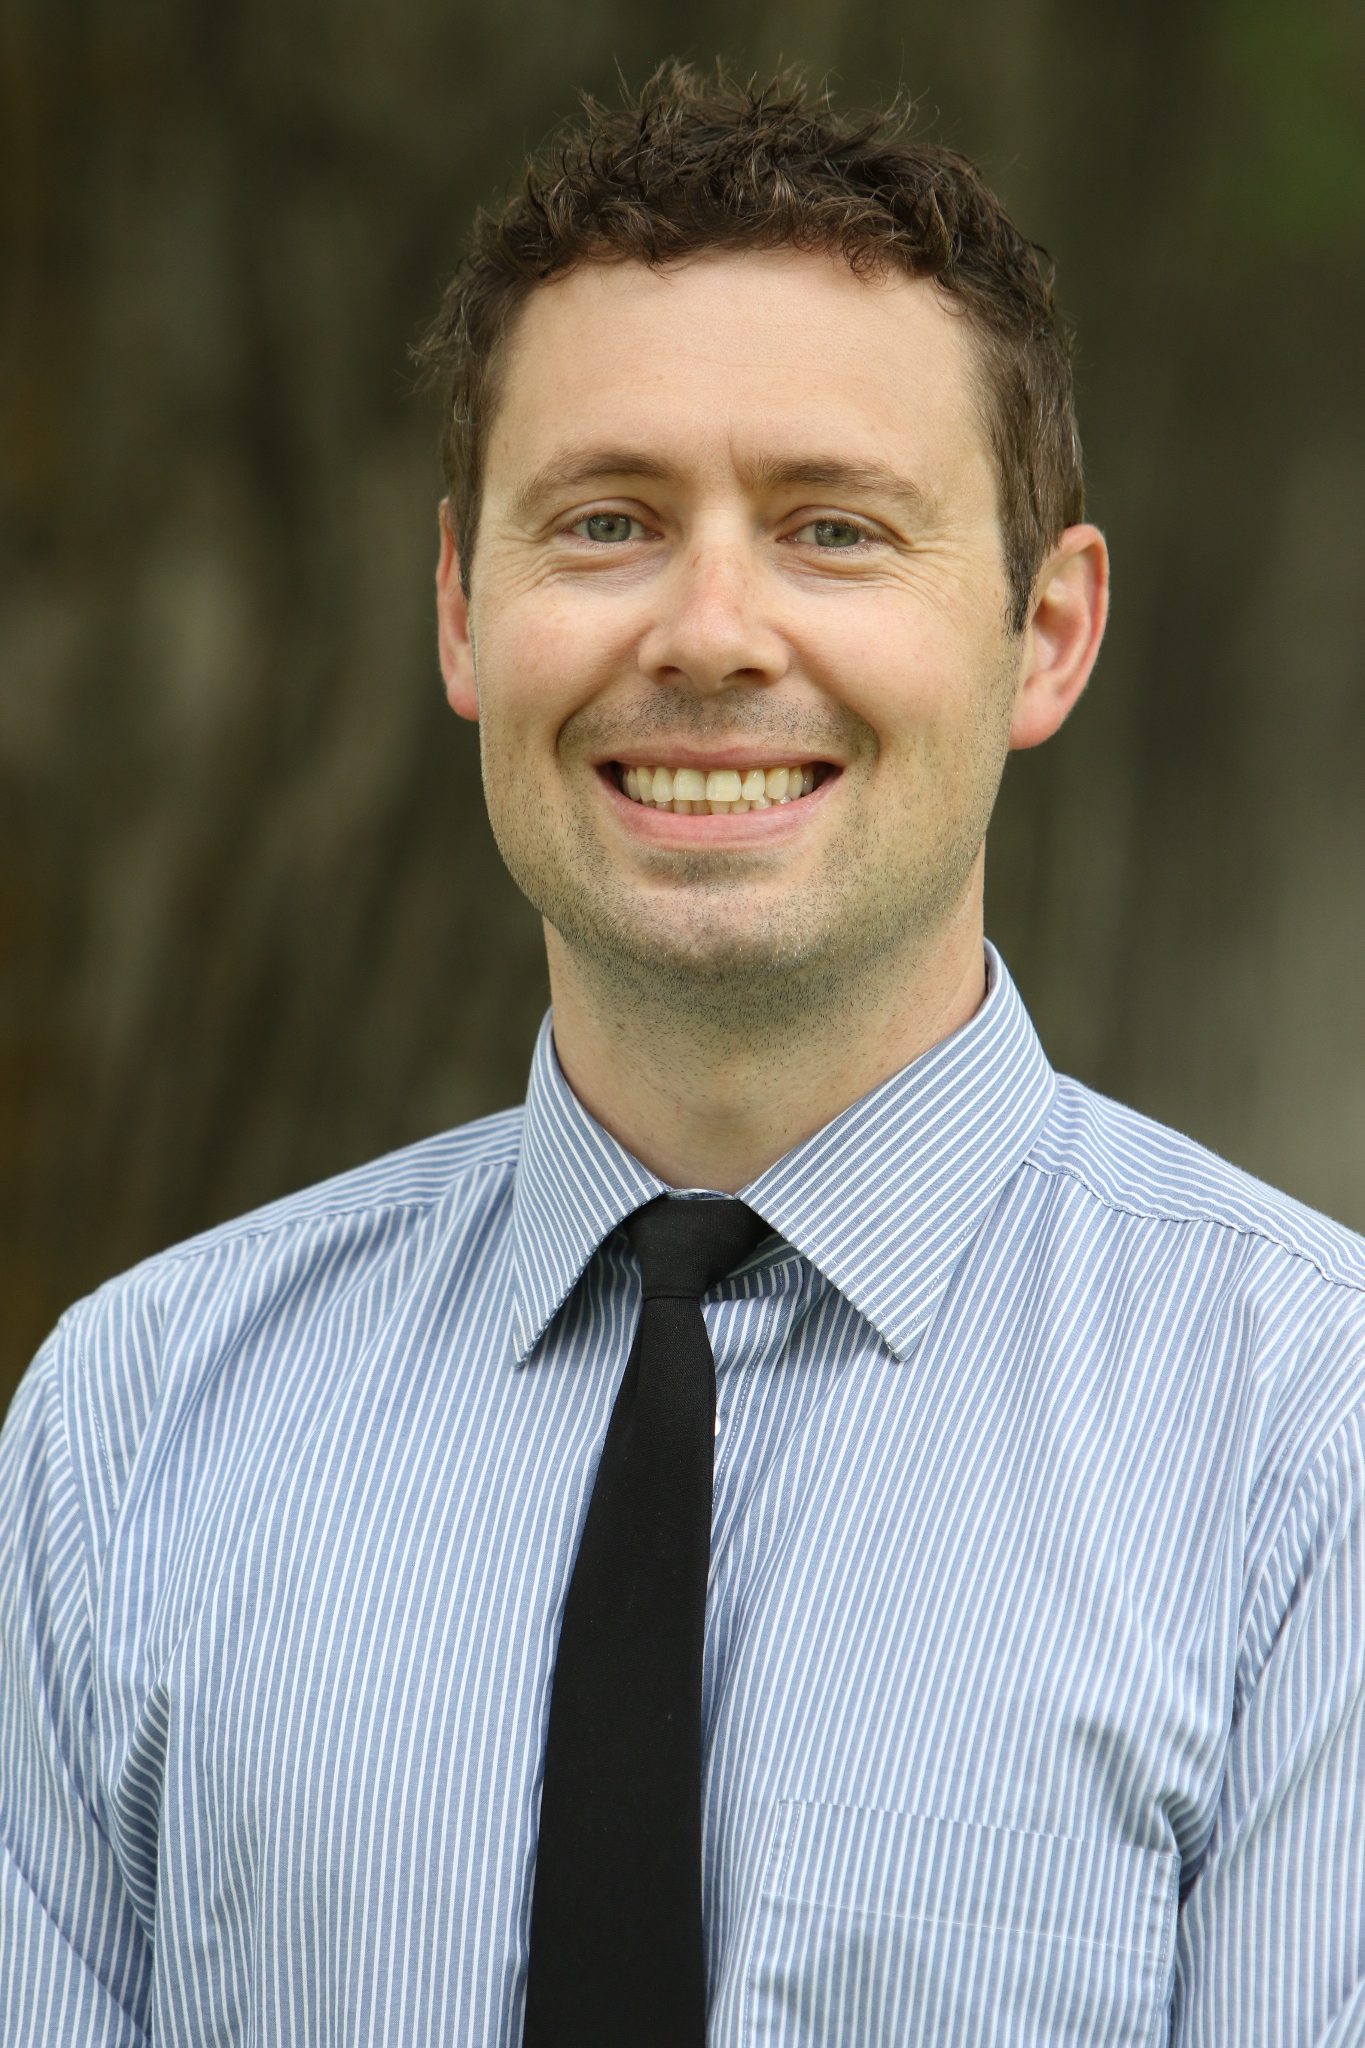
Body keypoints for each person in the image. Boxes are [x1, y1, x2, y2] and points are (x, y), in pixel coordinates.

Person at [2, 59, 1362, 2048]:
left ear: (1044, 632)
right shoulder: (132, 1427)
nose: (711, 631)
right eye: (609, 520)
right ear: (464, 608)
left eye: (829, 528)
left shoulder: (1309, 1454)